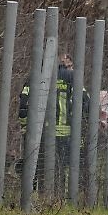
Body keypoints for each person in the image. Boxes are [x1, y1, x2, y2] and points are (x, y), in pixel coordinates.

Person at [18, 53, 89, 196]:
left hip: (40, 136)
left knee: (40, 169)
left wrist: (26, 130)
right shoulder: (71, 78)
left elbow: (23, 108)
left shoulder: (34, 79)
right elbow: (86, 104)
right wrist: (80, 128)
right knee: (61, 169)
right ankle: (60, 199)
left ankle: (40, 199)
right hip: (65, 137)